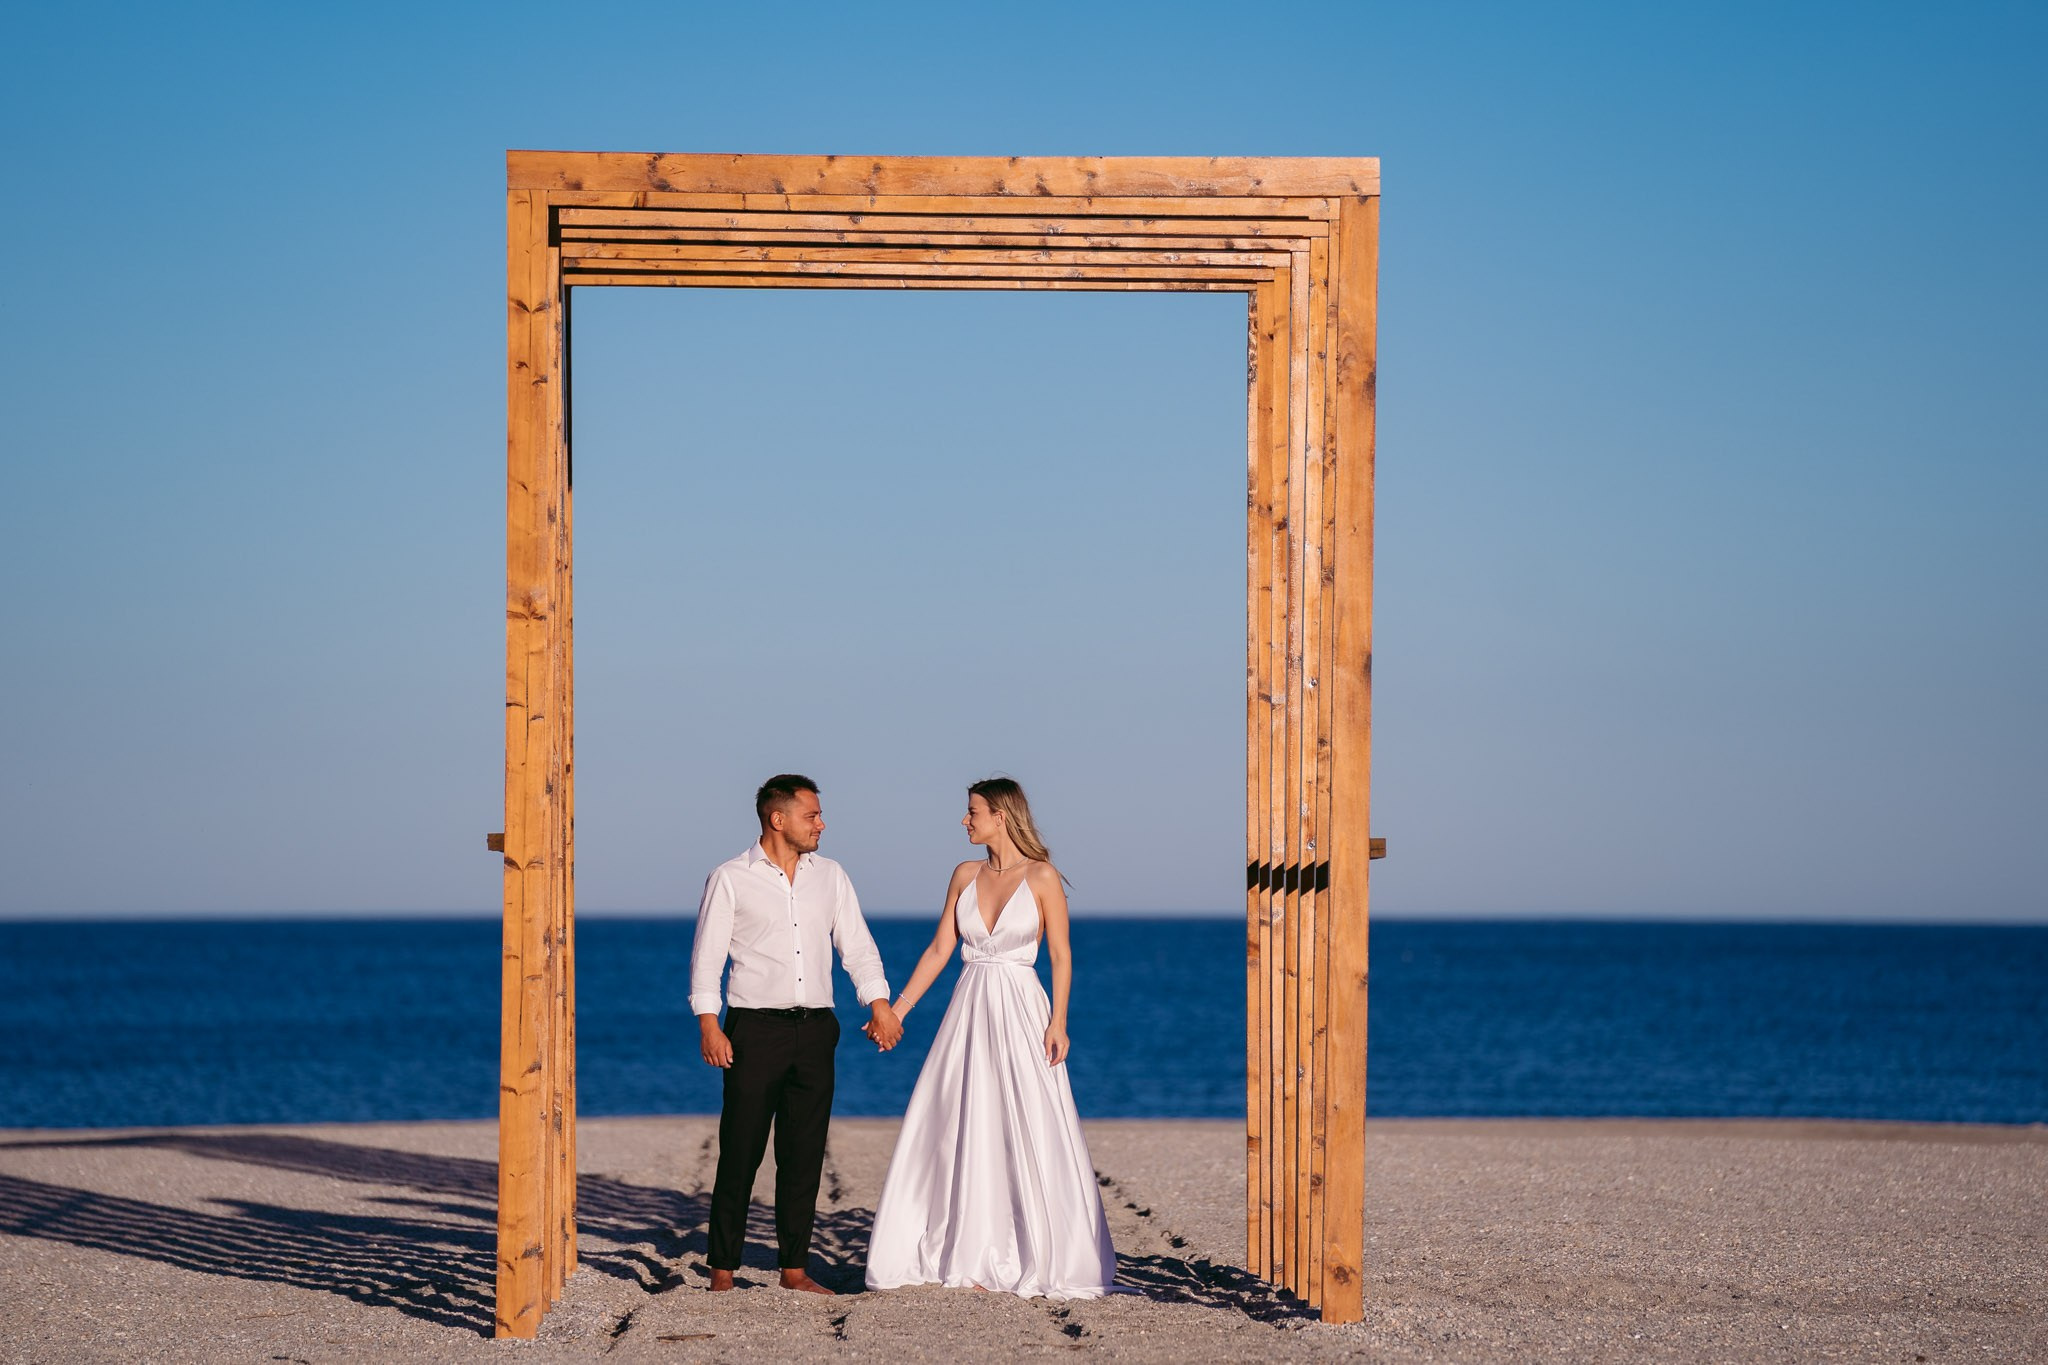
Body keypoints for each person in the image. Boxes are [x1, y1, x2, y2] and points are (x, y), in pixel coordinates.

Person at [862, 777, 1118, 1298]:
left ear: (1001, 814)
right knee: (960, 1117)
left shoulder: (1043, 876)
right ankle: (968, 1249)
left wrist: (1059, 1021)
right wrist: (898, 1012)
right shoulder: (964, 874)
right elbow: (939, 950)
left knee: (1031, 1119)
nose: (965, 820)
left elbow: (1062, 955)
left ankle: (1037, 1249)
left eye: (972, 811)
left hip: (1023, 1006)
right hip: (970, 1005)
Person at [689, 774, 904, 1294]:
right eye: (812, 815)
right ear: (777, 818)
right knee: (741, 1151)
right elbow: (708, 956)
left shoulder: (830, 876)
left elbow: (857, 945)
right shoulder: (731, 877)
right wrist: (709, 1024)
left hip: (816, 1029)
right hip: (753, 1030)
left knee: (804, 1154)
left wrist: (879, 1005)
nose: (821, 824)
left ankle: (794, 1270)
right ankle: (722, 1271)